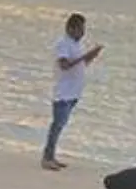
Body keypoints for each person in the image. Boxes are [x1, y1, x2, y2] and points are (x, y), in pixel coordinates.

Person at [43, 12, 103, 172]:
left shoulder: (77, 45)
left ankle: (51, 156)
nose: (82, 33)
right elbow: (64, 65)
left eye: (83, 29)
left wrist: (91, 56)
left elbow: (81, 65)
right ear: (70, 28)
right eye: (80, 29)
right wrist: (85, 56)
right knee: (57, 125)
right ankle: (47, 158)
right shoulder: (63, 43)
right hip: (63, 92)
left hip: (73, 92)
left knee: (61, 125)